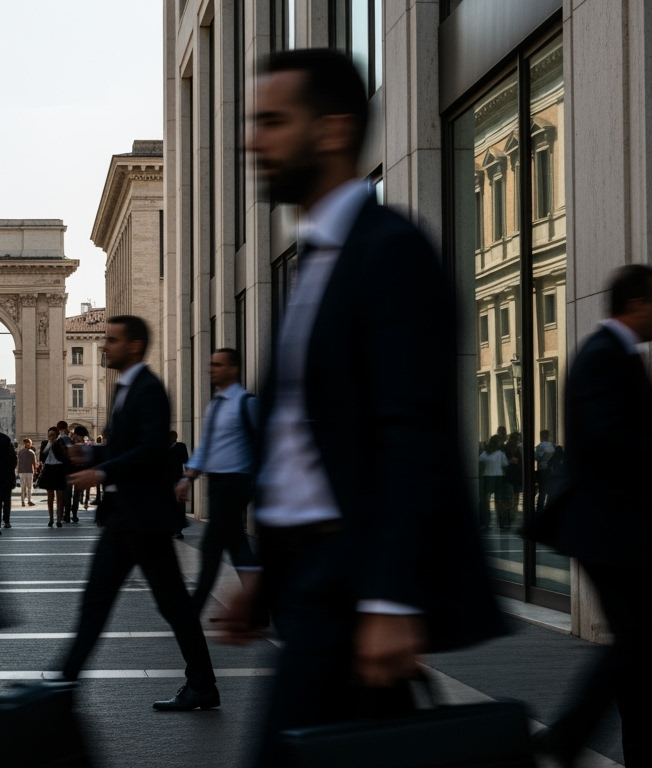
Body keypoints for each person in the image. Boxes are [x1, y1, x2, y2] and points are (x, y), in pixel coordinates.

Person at [221, 49, 504, 766]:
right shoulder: (318, 260)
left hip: (350, 582)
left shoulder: (390, 252)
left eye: (273, 121)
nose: (254, 140)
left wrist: (390, 600)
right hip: (313, 581)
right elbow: (298, 439)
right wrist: (263, 575)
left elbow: (413, 435)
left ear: (333, 130)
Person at [525, 264, 652, 768]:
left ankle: (646, 750)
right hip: (608, 531)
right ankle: (567, 738)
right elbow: (605, 442)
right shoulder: (604, 357)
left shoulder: (618, 356)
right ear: (635, 305)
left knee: (641, 642)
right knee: (635, 641)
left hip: (622, 530)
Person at [64, 315, 219, 710]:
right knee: (103, 600)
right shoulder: (126, 388)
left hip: (143, 519)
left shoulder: (148, 389)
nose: (104, 346)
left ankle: (63, 685)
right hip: (126, 517)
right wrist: (95, 453)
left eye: (112, 340)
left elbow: (151, 451)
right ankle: (64, 683)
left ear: (133, 345)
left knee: (165, 605)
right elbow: (127, 450)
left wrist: (101, 470)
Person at [177, 347, 261, 615]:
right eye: (211, 364)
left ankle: (195, 606)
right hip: (216, 484)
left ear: (234, 369)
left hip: (236, 483)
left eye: (218, 365)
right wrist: (189, 475)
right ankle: (259, 608)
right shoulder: (215, 405)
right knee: (237, 546)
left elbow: (265, 444)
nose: (211, 369)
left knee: (212, 545)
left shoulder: (247, 403)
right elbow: (207, 446)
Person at [39, 426, 69, 528]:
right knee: (50, 496)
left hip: (59, 469)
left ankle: (59, 519)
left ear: (56, 435)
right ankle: (51, 518)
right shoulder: (44, 443)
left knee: (60, 496)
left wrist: (55, 444)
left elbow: (62, 457)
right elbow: (42, 457)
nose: (50, 437)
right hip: (49, 470)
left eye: (52, 435)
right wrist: (48, 445)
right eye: (49, 435)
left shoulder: (60, 443)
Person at [479, 435, 509, 529]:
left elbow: (480, 460)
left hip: (487, 476)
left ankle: (485, 521)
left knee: (486, 499)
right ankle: (501, 522)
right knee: (499, 500)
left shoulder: (485, 452)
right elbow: (505, 463)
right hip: (498, 476)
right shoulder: (500, 453)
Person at [168, 431, 190, 538]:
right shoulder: (164, 448)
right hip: (167, 481)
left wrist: (185, 478)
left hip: (178, 479)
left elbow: (185, 462)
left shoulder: (180, 447)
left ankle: (178, 529)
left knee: (179, 505)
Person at [535, 430, 557, 514]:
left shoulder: (540, 446)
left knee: (542, 491)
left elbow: (537, 457)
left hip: (542, 469)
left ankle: (540, 509)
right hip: (551, 470)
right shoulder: (552, 446)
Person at [17, 438, 37, 507]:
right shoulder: (32, 452)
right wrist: (36, 469)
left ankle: (22, 501)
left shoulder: (20, 452)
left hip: (21, 471)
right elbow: (34, 463)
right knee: (29, 487)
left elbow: (18, 462)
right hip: (29, 471)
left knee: (23, 487)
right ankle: (29, 500)